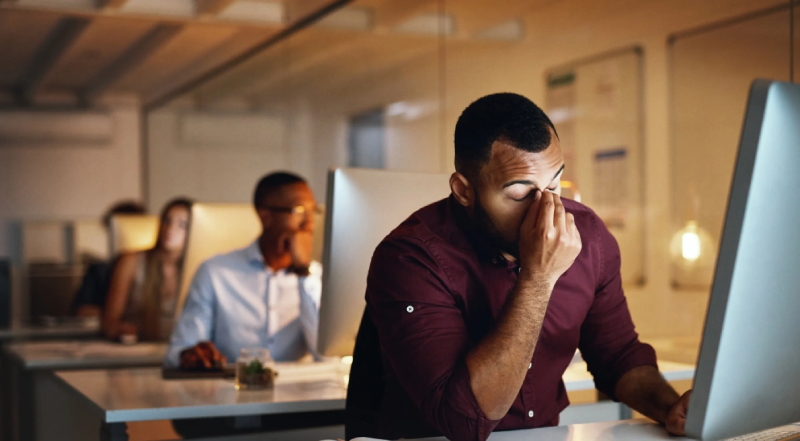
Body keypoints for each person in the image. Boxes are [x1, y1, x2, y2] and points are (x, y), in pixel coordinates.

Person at [363, 93, 691, 440]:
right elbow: (463, 421)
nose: (547, 209)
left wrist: (670, 408)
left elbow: (618, 356)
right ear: (463, 190)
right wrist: (538, 277)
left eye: (554, 185)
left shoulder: (588, 235)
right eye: (521, 194)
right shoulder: (409, 259)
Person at [165, 172, 321, 368]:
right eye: (299, 210)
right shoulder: (215, 272)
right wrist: (191, 355)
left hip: (298, 393)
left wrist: (302, 272)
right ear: (266, 216)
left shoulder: (316, 277)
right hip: (231, 391)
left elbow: (324, 354)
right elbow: (179, 351)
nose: (309, 223)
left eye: (313, 211)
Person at [102, 198, 193, 342]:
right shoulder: (131, 261)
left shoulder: (199, 269)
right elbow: (109, 322)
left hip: (181, 350)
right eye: (167, 221)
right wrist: (121, 329)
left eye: (182, 225)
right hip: (139, 350)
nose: (170, 229)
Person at [72, 200, 146, 318]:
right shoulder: (99, 271)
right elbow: (80, 310)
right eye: (111, 232)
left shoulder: (154, 269)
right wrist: (115, 313)